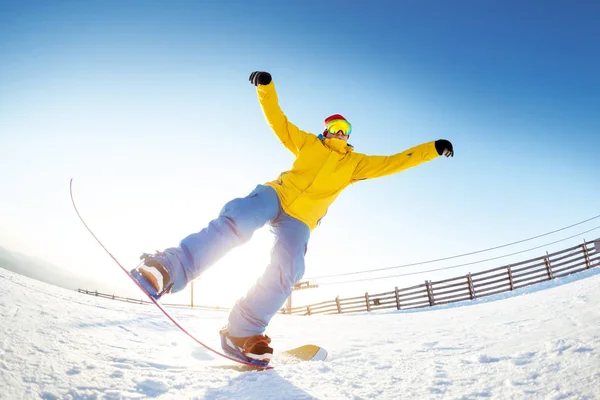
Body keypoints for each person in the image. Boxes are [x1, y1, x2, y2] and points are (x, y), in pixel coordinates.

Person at [131, 71, 454, 366]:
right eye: (335, 127)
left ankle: (244, 331)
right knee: (238, 220)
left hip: (302, 218)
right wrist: (266, 88)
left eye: (346, 130)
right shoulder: (308, 143)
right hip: (278, 194)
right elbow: (278, 121)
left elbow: (394, 162)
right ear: (326, 129)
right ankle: (167, 269)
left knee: (290, 269)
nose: (340, 133)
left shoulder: (356, 164)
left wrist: (432, 149)